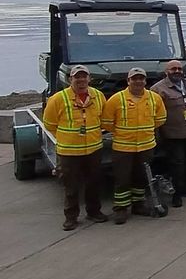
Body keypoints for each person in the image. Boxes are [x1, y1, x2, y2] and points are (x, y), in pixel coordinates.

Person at [42, 65, 108, 229]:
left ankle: (94, 212)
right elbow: (49, 124)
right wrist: (67, 138)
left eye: (84, 76)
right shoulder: (58, 99)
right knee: (71, 186)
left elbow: (104, 119)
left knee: (94, 183)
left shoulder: (98, 96)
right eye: (77, 77)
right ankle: (71, 217)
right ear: (70, 79)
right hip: (69, 151)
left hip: (93, 149)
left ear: (89, 78)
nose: (81, 80)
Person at [101, 68, 168, 224]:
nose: (138, 81)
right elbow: (107, 122)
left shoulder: (154, 98)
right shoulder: (116, 99)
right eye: (134, 79)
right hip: (123, 148)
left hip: (146, 146)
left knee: (141, 177)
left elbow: (160, 119)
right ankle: (121, 208)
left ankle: (138, 205)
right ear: (128, 81)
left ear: (145, 81)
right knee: (122, 178)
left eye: (141, 79)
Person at [151, 60, 186, 205]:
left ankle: (183, 187)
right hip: (172, 133)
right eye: (173, 69)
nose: (177, 71)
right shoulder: (158, 89)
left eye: (179, 68)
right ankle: (176, 194)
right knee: (176, 163)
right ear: (167, 72)